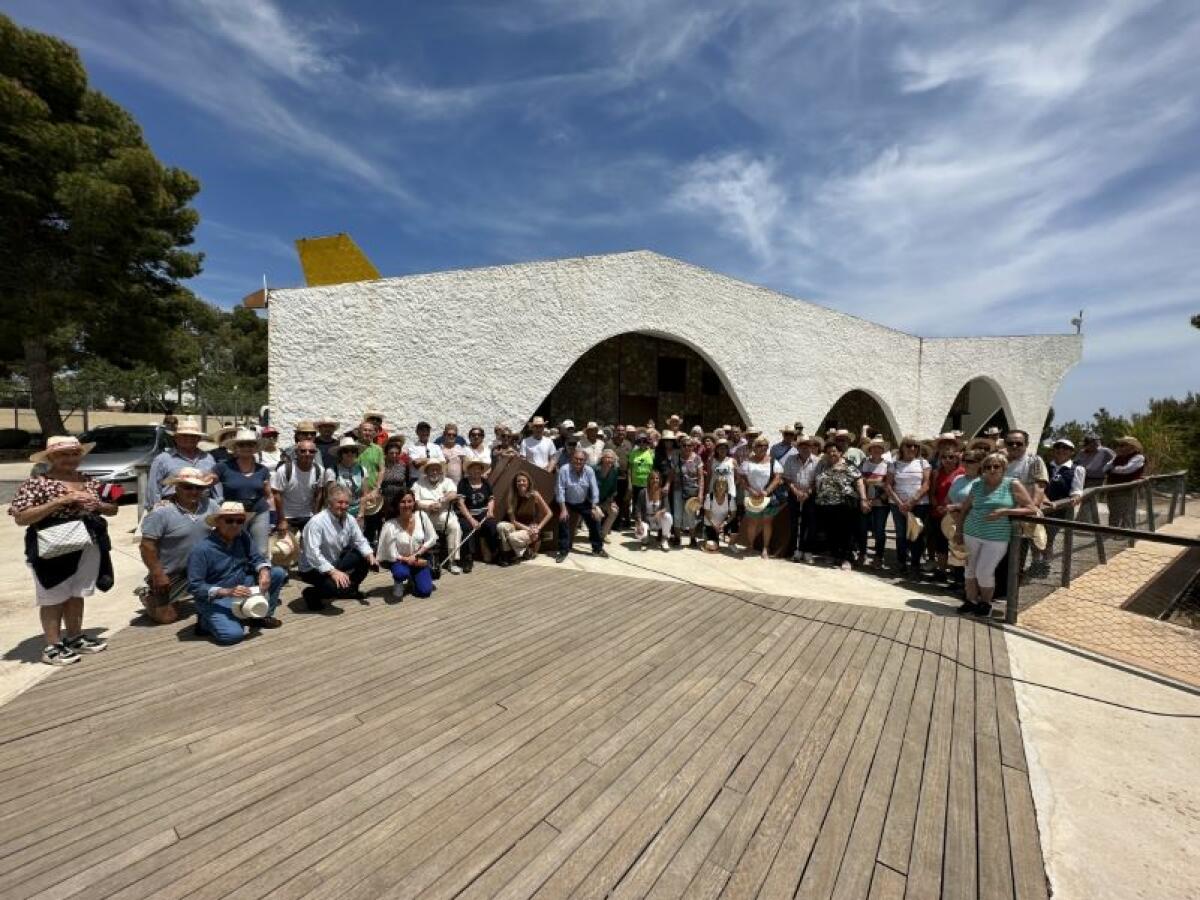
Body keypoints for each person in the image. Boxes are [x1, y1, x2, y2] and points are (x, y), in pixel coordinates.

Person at [9, 435, 119, 665]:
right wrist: (61, 501)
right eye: (63, 454)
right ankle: (52, 645)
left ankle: (74, 636)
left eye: (74, 454)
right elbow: (21, 517)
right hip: (53, 543)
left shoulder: (91, 481)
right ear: (51, 457)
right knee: (53, 595)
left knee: (77, 592)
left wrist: (98, 505)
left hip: (88, 542)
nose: (70, 459)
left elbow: (114, 507)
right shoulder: (37, 483)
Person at [186, 501, 287, 644]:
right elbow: (194, 586)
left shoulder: (243, 536)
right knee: (232, 635)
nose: (235, 525)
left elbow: (256, 558)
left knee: (276, 573)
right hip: (217, 597)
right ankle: (205, 622)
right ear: (218, 522)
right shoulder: (201, 550)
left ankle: (259, 617)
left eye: (240, 521)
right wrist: (227, 592)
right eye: (229, 520)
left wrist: (263, 570)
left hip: (241, 586)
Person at [953, 452, 1036, 616]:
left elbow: (1031, 508)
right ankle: (970, 601)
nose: (992, 469)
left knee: (984, 571)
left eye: (996, 466)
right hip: (972, 532)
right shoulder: (977, 484)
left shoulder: (1012, 484)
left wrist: (1005, 511)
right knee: (969, 569)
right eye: (988, 466)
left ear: (1004, 468)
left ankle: (985, 603)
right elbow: (965, 509)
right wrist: (959, 531)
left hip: (996, 537)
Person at [139, 468, 220, 625]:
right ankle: (148, 596)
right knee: (167, 617)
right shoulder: (160, 512)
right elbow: (146, 546)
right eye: (188, 487)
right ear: (177, 487)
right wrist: (157, 573)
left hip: (205, 569)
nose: (194, 491)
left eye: (199, 487)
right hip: (173, 572)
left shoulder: (211, 505)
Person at [298, 485, 378, 610]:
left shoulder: (349, 519)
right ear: (330, 502)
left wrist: (370, 555)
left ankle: (351, 590)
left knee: (366, 554)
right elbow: (313, 554)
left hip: (333, 561)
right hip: (312, 568)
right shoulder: (317, 522)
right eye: (340, 502)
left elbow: (360, 540)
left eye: (346, 503)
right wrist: (333, 572)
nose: (344, 506)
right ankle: (311, 593)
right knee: (337, 588)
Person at [216, 429, 274, 556]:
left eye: (250, 444)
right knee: (234, 548)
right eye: (242, 444)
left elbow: (268, 494)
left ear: (255, 448)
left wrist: (273, 516)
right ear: (235, 447)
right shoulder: (223, 467)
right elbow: (206, 482)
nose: (246, 447)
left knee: (261, 550)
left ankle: (260, 574)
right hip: (233, 515)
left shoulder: (262, 470)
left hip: (259, 511)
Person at [813, 440, 870, 570]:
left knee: (847, 532)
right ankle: (835, 555)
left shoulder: (848, 465)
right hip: (826, 504)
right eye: (828, 452)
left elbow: (859, 482)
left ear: (840, 452)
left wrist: (863, 499)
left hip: (845, 504)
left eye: (834, 451)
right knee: (831, 531)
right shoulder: (824, 465)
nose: (831, 453)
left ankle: (847, 558)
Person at [145, 417, 221, 510]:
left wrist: (218, 505)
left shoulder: (208, 458)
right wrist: (155, 508)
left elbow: (215, 485)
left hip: (203, 506)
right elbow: (154, 487)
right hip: (172, 506)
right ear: (176, 438)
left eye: (192, 436)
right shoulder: (162, 459)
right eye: (184, 435)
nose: (189, 439)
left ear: (199, 439)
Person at [377, 490, 438, 598]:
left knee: (425, 592)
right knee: (400, 573)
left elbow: (432, 538)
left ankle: (413, 579)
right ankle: (398, 582)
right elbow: (391, 553)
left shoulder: (422, 516)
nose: (406, 505)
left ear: (414, 503)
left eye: (410, 501)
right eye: (402, 502)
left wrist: (416, 556)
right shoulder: (390, 525)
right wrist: (408, 559)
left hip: (419, 558)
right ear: (397, 504)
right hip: (400, 561)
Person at [885, 436, 932, 576]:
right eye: (909, 445)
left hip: (919, 504)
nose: (912, 448)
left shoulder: (923, 463)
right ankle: (901, 563)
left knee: (916, 534)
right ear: (902, 447)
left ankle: (915, 564)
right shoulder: (894, 464)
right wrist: (900, 503)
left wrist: (911, 501)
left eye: (915, 446)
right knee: (901, 535)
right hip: (897, 504)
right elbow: (888, 485)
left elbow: (926, 484)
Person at [554, 449, 608, 562]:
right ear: (571, 459)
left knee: (595, 520)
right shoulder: (564, 470)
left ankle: (597, 548)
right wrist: (563, 509)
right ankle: (563, 551)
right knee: (563, 521)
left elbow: (595, 490)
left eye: (581, 460)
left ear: (585, 461)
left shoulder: (589, 471)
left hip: (583, 502)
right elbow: (560, 490)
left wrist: (594, 507)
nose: (578, 462)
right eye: (576, 459)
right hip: (567, 502)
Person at [412, 459, 463, 574]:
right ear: (427, 471)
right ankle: (416, 558)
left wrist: (442, 500)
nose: (434, 472)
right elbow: (414, 501)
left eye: (436, 470)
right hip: (424, 515)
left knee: (454, 527)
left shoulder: (447, 481)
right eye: (431, 470)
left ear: (440, 471)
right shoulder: (418, 483)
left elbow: (453, 494)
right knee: (416, 530)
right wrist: (428, 507)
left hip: (443, 513)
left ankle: (452, 562)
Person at [738, 436, 784, 560]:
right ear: (754, 447)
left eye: (765, 446)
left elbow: (777, 477)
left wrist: (767, 491)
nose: (762, 448)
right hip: (752, 496)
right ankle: (750, 545)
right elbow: (742, 478)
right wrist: (751, 490)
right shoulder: (747, 462)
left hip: (767, 497)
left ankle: (765, 548)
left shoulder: (773, 461)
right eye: (759, 446)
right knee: (752, 522)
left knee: (767, 522)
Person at [271, 438, 324, 538]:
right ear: (296, 452)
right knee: (285, 549)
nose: (307, 454)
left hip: (308, 515)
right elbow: (277, 494)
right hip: (287, 516)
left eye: (311, 451)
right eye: (303, 451)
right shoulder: (285, 470)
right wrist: (281, 520)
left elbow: (319, 493)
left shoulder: (319, 470)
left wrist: (316, 516)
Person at [928, 442, 965, 580]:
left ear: (956, 458)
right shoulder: (937, 473)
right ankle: (941, 571)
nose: (947, 460)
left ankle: (957, 574)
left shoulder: (962, 472)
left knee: (956, 544)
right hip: (939, 512)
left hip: (956, 513)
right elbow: (932, 493)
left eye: (951, 457)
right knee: (941, 544)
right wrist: (936, 504)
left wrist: (950, 507)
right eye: (944, 457)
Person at [497, 471, 553, 563]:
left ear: (528, 482)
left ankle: (526, 551)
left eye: (524, 480)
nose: (521, 483)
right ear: (515, 484)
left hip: (532, 529)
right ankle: (510, 554)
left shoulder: (535, 495)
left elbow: (549, 513)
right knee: (500, 526)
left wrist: (538, 529)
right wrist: (528, 529)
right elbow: (513, 521)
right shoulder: (511, 497)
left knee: (512, 537)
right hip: (519, 528)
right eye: (518, 481)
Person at [456, 458, 499, 572]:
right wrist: (471, 520)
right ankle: (468, 558)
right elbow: (460, 504)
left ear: (481, 470)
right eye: (473, 469)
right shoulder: (463, 483)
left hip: (483, 513)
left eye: (478, 469)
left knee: (492, 525)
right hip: (467, 514)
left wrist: (490, 511)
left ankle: (495, 553)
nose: (476, 472)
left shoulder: (485, 482)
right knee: (467, 527)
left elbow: (491, 499)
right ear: (469, 471)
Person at [1044, 438, 1085, 557]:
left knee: (1048, 539)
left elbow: (1077, 489)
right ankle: (1037, 566)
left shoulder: (1077, 469)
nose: (1061, 450)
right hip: (1040, 507)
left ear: (1072, 452)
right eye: (1058, 447)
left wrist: (1076, 496)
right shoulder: (1045, 466)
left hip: (1058, 510)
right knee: (1035, 539)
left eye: (1065, 448)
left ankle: (1042, 568)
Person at [859, 438, 891, 566]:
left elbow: (890, 483)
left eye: (879, 448)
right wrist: (864, 499)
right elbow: (859, 481)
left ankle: (879, 556)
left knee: (879, 530)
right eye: (874, 448)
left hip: (881, 503)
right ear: (870, 450)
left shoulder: (888, 465)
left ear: (883, 450)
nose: (877, 450)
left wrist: (879, 498)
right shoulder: (864, 463)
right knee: (862, 529)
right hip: (865, 500)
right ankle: (862, 553)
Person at [323, 436, 368, 523]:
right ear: (340, 454)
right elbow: (331, 496)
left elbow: (364, 495)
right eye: (346, 451)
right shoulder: (332, 471)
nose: (350, 453)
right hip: (338, 513)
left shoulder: (362, 470)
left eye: (353, 451)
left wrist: (361, 514)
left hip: (357, 513)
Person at [1104, 435, 1146, 529]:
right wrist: (1114, 468)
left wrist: (1112, 470)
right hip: (1112, 488)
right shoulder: (1117, 457)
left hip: (1127, 490)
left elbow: (1127, 469)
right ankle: (1112, 532)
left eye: (1123, 445)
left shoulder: (1138, 457)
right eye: (1119, 445)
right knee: (1113, 512)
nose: (1119, 447)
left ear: (1131, 446)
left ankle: (1126, 536)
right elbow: (1105, 468)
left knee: (1126, 513)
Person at [674, 436, 705, 547]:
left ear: (693, 446)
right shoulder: (676, 457)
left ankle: (692, 538)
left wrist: (700, 494)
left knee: (691, 515)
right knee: (677, 515)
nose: (687, 447)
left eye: (689, 445)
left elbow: (701, 477)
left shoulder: (697, 458)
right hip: (678, 490)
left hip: (692, 491)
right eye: (684, 445)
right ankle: (677, 538)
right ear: (680, 446)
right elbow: (671, 474)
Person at [635, 470, 674, 551]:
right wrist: (639, 522)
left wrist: (660, 512)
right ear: (649, 480)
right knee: (643, 538)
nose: (655, 480)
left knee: (668, 516)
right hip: (647, 520)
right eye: (652, 478)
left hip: (658, 519)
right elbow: (638, 509)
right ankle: (645, 538)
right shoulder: (642, 492)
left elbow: (667, 508)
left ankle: (664, 540)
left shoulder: (663, 492)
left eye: (657, 478)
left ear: (660, 480)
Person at [627, 432, 655, 523]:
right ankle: (638, 524)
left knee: (647, 505)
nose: (642, 443)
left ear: (647, 442)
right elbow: (629, 469)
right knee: (637, 505)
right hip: (636, 483)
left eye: (644, 441)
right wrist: (630, 483)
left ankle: (645, 524)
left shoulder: (651, 453)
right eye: (640, 441)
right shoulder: (633, 453)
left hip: (648, 483)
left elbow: (654, 469)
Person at [702, 475, 735, 551]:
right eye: (718, 484)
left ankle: (731, 542)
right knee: (712, 546)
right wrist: (715, 526)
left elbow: (733, 514)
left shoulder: (730, 498)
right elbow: (706, 514)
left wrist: (724, 524)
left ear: (726, 487)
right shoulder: (709, 497)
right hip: (711, 524)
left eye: (723, 485)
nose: (720, 487)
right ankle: (712, 539)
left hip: (723, 524)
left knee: (735, 521)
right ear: (715, 486)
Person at [594, 449, 621, 540]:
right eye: (608, 457)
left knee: (614, 511)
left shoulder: (614, 471)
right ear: (602, 459)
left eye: (612, 458)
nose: (610, 460)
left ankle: (602, 535)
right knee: (599, 514)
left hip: (604, 500)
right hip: (591, 500)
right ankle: (595, 535)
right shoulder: (594, 469)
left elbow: (613, 490)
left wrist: (612, 501)